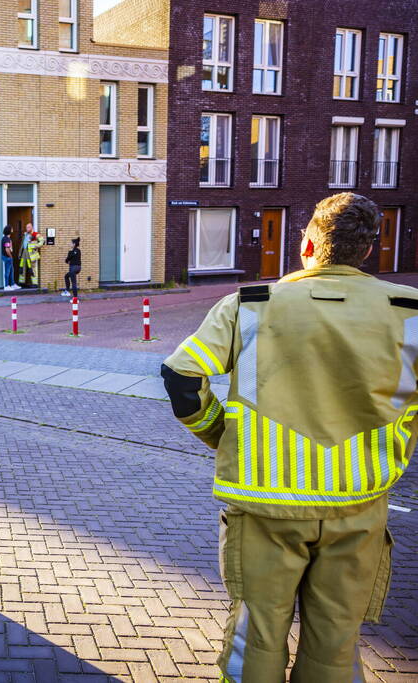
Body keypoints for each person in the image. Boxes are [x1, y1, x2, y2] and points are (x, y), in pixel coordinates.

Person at [160, 193, 413, 683]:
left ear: (309, 244)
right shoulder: (409, 313)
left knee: (255, 640)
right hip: (358, 507)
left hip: (264, 507)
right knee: (337, 644)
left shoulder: (250, 305)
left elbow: (181, 378)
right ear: (367, 250)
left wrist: (221, 435)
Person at [1, 226, 18, 290]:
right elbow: (7, 250)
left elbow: (10, 248)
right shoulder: (6, 239)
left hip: (7, 257)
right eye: (11, 228)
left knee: (11, 271)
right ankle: (7, 286)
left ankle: (12, 284)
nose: (12, 229)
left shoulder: (6, 238)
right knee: (8, 272)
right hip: (7, 257)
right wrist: (11, 256)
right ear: (9, 230)